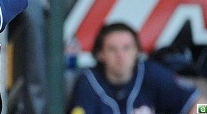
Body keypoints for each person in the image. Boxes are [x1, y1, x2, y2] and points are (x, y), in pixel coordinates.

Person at [67, 22, 207, 114]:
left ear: (137, 51)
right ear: (100, 54)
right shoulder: (88, 81)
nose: (120, 55)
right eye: (112, 49)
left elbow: (200, 104)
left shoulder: (151, 73)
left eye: (127, 48)